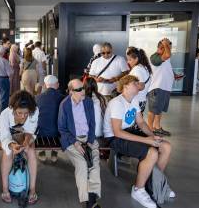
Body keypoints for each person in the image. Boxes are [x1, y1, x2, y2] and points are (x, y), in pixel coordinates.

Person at [103, 75, 173, 208]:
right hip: (114, 138)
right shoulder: (117, 103)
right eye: (135, 83)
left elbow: (140, 122)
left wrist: (152, 137)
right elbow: (117, 132)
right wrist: (146, 140)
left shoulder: (133, 99)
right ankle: (139, 189)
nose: (139, 85)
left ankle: (156, 184)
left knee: (166, 146)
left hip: (128, 132)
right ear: (126, 86)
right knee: (152, 152)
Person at [58, 79, 101, 208]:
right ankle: (87, 201)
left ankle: (92, 201)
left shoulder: (88, 102)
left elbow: (92, 124)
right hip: (72, 140)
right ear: (71, 92)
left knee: (94, 164)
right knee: (82, 164)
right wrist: (75, 143)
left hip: (88, 138)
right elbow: (62, 129)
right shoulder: (65, 105)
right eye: (78, 90)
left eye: (83, 88)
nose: (83, 91)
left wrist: (90, 141)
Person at [0, 90, 39, 204]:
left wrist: (25, 143)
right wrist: (12, 145)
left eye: (26, 113)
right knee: (8, 153)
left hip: (25, 135)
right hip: (7, 136)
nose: (23, 116)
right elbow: (4, 136)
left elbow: (30, 130)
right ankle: (5, 189)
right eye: (19, 113)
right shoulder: (5, 114)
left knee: (30, 151)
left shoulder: (34, 111)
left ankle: (32, 189)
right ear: (13, 109)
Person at [147, 38, 174, 136]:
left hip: (165, 87)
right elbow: (167, 55)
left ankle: (157, 127)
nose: (169, 50)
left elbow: (166, 68)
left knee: (159, 109)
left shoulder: (165, 58)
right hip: (157, 88)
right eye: (168, 47)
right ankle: (149, 130)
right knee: (153, 110)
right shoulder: (155, 57)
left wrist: (173, 75)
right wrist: (165, 44)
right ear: (161, 48)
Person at [36, 75, 64, 162]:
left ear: (45, 85)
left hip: (41, 133)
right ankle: (54, 153)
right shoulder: (63, 98)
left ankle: (41, 152)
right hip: (58, 134)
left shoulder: (37, 98)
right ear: (57, 85)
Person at [127, 47, 152, 113]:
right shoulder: (144, 67)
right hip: (141, 100)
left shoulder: (137, 69)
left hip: (136, 102)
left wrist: (125, 86)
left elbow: (141, 86)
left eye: (130, 60)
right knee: (138, 121)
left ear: (136, 59)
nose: (128, 62)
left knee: (132, 122)